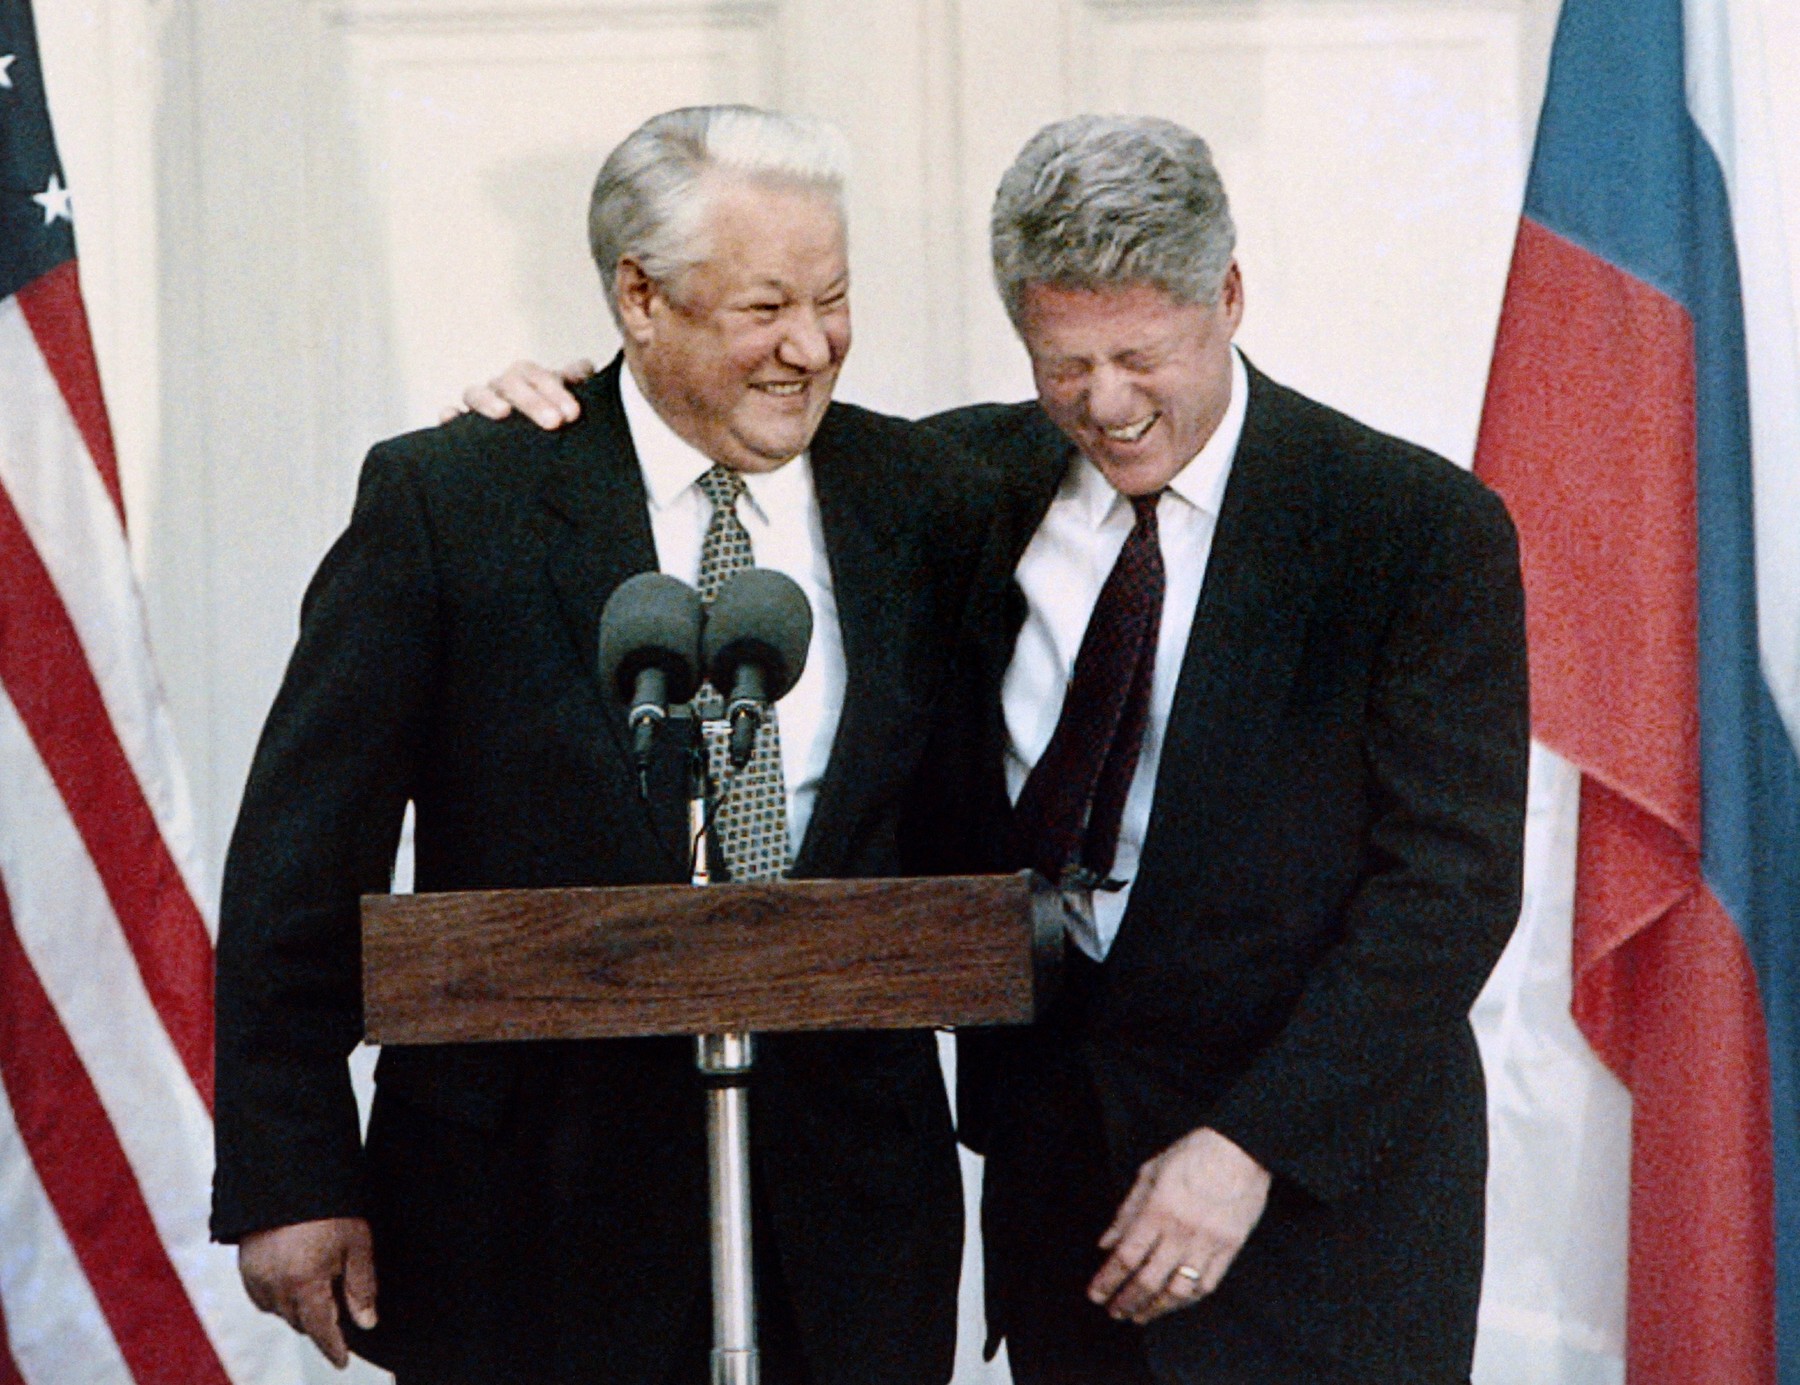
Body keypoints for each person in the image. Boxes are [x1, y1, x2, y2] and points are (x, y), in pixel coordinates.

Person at [465, 113, 1530, 1384]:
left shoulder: (1411, 529)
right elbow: (696, 424)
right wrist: (561, 408)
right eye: (1062, 364)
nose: (1106, 406)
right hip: (1061, 1204)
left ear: (1230, 296)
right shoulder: (957, 485)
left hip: (1317, 1219)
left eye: (1141, 356)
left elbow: (1449, 892)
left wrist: (1249, 1147)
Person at [211, 105, 982, 1385]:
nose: (812, 346)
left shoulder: (929, 497)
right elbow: (302, 854)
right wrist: (291, 1171)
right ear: (640, 297)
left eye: (834, 298)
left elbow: (1117, 419)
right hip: (532, 1223)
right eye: (765, 308)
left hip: (842, 1228)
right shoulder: (456, 500)